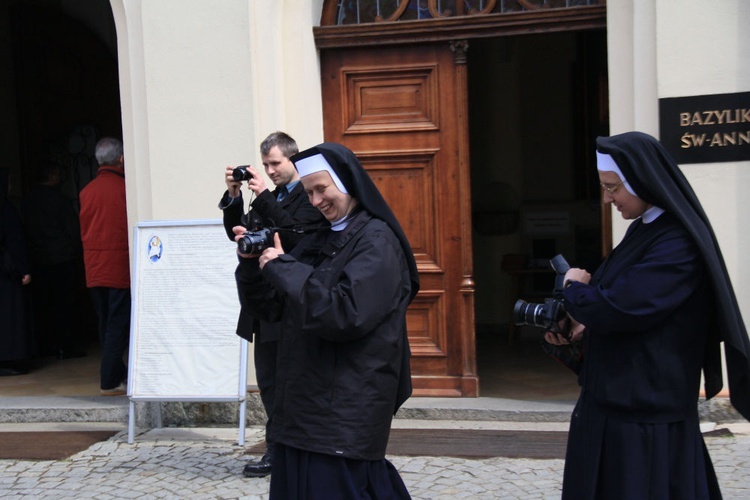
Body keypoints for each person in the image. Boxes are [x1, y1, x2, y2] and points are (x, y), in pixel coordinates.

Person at [544, 131, 750, 499]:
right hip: (615, 403)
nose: (607, 198)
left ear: (641, 181)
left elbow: (622, 308)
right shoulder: (644, 231)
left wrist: (573, 288)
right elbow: (619, 305)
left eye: (613, 188)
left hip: (644, 413)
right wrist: (579, 326)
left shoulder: (677, 242)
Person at [233, 142, 418, 499]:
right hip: (302, 409)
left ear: (347, 183)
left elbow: (344, 314)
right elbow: (271, 309)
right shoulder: (316, 235)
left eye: (322, 189)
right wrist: (252, 265)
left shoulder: (377, 241)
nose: (316, 201)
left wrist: (284, 267)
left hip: (342, 414)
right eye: (308, 192)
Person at [218, 131, 326, 478]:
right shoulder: (271, 197)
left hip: (291, 303)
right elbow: (241, 231)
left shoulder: (309, 195)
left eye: (275, 163)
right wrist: (235, 195)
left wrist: (263, 194)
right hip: (263, 305)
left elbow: (293, 232)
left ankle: (290, 452)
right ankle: (278, 449)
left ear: (291, 160)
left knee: (292, 383)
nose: (270, 170)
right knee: (269, 383)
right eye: (265, 164)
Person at [79, 137, 131, 397]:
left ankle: (118, 373)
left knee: (105, 323)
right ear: (121, 159)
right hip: (118, 266)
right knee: (118, 325)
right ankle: (109, 380)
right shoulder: (125, 189)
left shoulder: (86, 191)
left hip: (94, 267)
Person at [22, 161, 86, 360]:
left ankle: (47, 346)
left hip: (38, 259)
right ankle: (66, 346)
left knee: (44, 305)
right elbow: (73, 229)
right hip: (62, 258)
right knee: (65, 304)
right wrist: (76, 251)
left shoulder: (28, 200)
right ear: (50, 176)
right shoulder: (60, 200)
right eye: (57, 174)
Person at [0, 168, 36, 376]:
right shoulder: (7, 210)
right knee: (11, 317)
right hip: (9, 275)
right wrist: (24, 269)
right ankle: (12, 359)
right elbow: (16, 242)